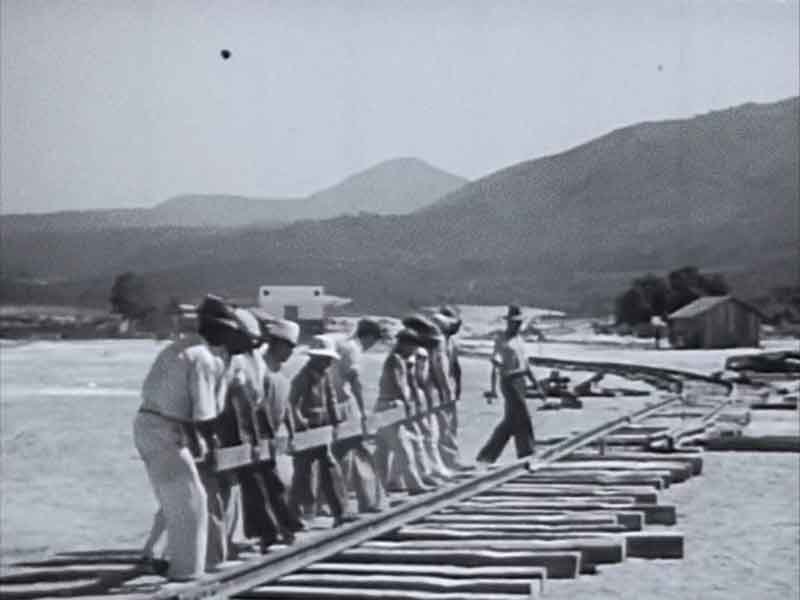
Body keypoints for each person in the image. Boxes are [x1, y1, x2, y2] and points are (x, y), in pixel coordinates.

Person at [133, 295, 252, 581]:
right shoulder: (201, 357)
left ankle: (161, 557)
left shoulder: (187, 349)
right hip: (165, 429)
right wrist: (208, 446)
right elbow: (203, 415)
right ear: (217, 328)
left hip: (156, 425)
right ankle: (185, 571)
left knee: (177, 497)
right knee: (190, 500)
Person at [238, 316, 304, 553]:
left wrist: (292, 430)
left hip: (272, 436)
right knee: (259, 486)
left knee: (274, 484)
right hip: (257, 436)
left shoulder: (281, 373)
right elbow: (257, 407)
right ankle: (270, 531)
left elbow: (286, 406)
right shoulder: (261, 370)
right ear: (276, 344)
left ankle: (282, 527)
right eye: (287, 347)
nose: (290, 353)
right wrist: (260, 437)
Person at [288, 336, 358, 527]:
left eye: (329, 360)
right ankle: (297, 514)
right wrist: (300, 422)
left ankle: (340, 511)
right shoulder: (303, 377)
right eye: (324, 359)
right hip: (307, 430)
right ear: (315, 359)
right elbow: (292, 403)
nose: (328, 363)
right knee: (303, 472)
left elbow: (331, 398)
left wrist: (335, 421)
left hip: (322, 428)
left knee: (329, 466)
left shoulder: (325, 375)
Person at [328, 318, 388, 512]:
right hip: (346, 405)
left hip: (333, 403)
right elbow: (355, 381)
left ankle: (334, 500)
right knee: (358, 451)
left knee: (339, 453)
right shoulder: (353, 349)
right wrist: (362, 411)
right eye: (374, 341)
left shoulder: (342, 344)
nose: (372, 346)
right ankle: (368, 500)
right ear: (369, 337)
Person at [373, 328, 432, 495]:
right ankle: (414, 485)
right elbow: (398, 383)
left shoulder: (399, 359)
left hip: (386, 405)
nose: (414, 350)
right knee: (402, 448)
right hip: (390, 406)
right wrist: (407, 404)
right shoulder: (395, 359)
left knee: (382, 450)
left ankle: (382, 485)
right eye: (413, 346)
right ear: (405, 344)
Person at [476, 304, 537, 464]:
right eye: (513, 322)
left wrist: (535, 383)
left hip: (521, 382)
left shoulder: (520, 340)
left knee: (510, 421)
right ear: (508, 322)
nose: (516, 325)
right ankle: (527, 452)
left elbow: (526, 365)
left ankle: (487, 456)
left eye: (519, 322)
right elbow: (496, 364)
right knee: (523, 416)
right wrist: (493, 389)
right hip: (509, 381)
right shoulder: (501, 340)